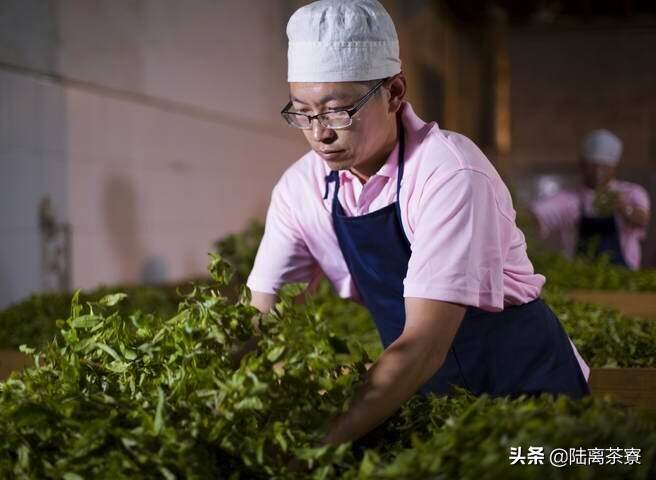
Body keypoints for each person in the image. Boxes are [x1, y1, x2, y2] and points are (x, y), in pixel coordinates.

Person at [245, 0, 590, 446]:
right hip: (429, 399)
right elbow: (263, 322)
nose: (320, 133)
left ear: (394, 92)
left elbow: (424, 343)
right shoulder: (302, 189)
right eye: (302, 113)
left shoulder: (449, 172)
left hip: (530, 397)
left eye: (337, 111)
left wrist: (321, 444)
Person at [530, 129, 650, 270]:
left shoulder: (631, 193)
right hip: (579, 278)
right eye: (592, 166)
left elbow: (642, 218)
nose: (597, 172)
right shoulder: (569, 199)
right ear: (581, 165)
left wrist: (624, 209)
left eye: (604, 167)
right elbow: (536, 215)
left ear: (614, 167)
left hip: (624, 278)